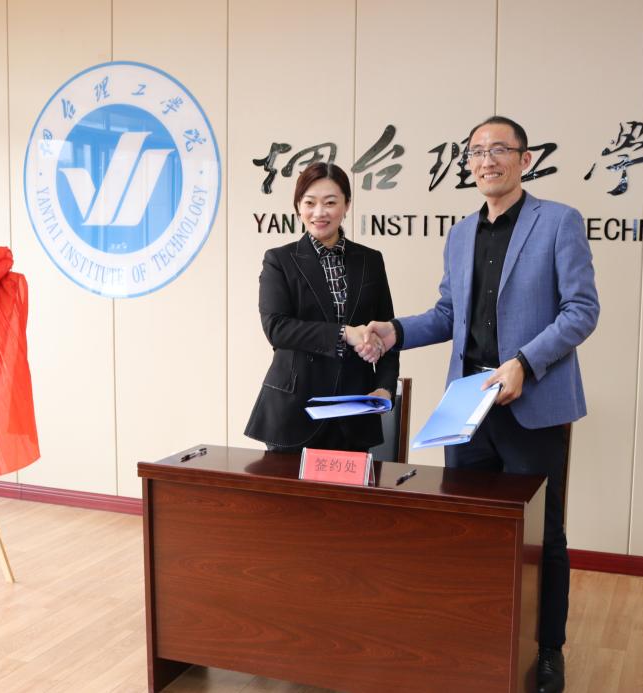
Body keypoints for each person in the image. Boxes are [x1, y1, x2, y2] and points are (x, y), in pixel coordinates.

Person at [360, 116, 598, 692]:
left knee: (544, 535)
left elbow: (581, 310)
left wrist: (524, 362)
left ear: (525, 159)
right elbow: (448, 314)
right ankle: (477, 639)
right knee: (468, 531)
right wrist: (394, 331)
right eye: (476, 152)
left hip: (531, 403)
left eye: (499, 150)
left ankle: (547, 650)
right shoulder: (461, 233)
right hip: (467, 407)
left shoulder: (558, 221)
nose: (486, 161)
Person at [245, 162, 399, 453]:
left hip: (354, 413)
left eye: (330, 202)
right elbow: (277, 328)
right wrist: (344, 333)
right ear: (298, 207)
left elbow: (387, 334)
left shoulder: (370, 261)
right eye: (310, 203)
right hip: (293, 412)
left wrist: (384, 387)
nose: (319, 212)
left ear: (346, 205)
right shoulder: (279, 260)